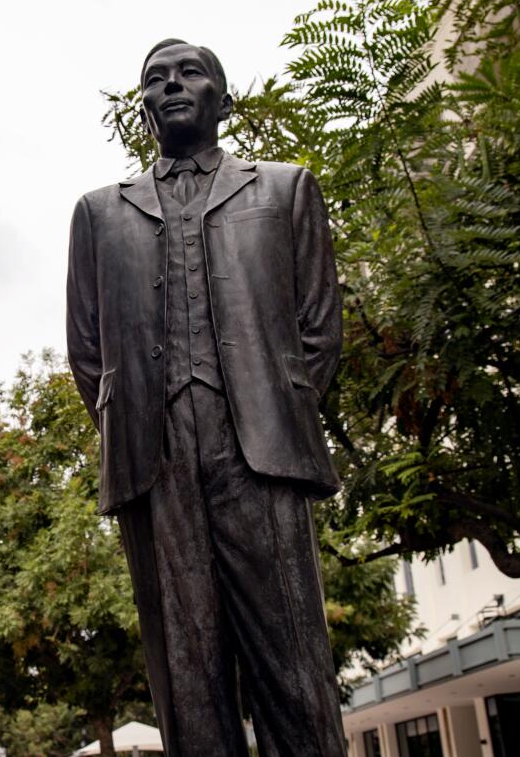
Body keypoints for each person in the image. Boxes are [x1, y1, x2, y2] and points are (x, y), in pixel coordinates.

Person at [66, 39, 346, 756]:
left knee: (293, 664)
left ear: (222, 96)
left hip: (260, 446)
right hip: (151, 458)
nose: (172, 87)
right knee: (184, 676)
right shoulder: (100, 213)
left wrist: (268, 407)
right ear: (145, 106)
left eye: (190, 74)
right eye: (155, 80)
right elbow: (88, 348)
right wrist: (140, 420)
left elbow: (318, 328)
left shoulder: (285, 188)